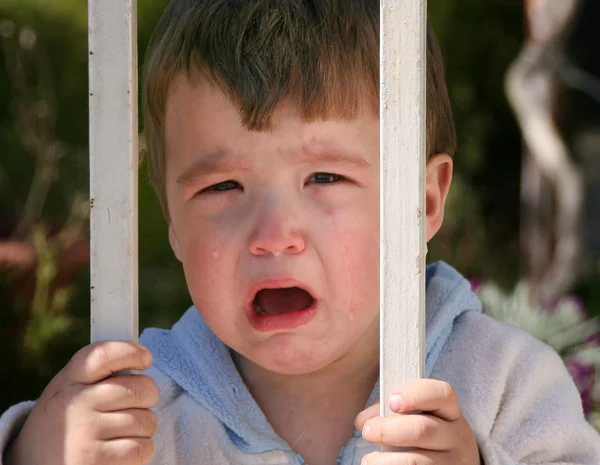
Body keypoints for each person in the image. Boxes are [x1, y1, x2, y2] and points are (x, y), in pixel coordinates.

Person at [2, 1, 599, 464]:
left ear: (422, 202)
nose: (274, 234)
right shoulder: (135, 410)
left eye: (325, 176)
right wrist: (33, 452)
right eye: (221, 187)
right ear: (170, 222)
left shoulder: (506, 381)